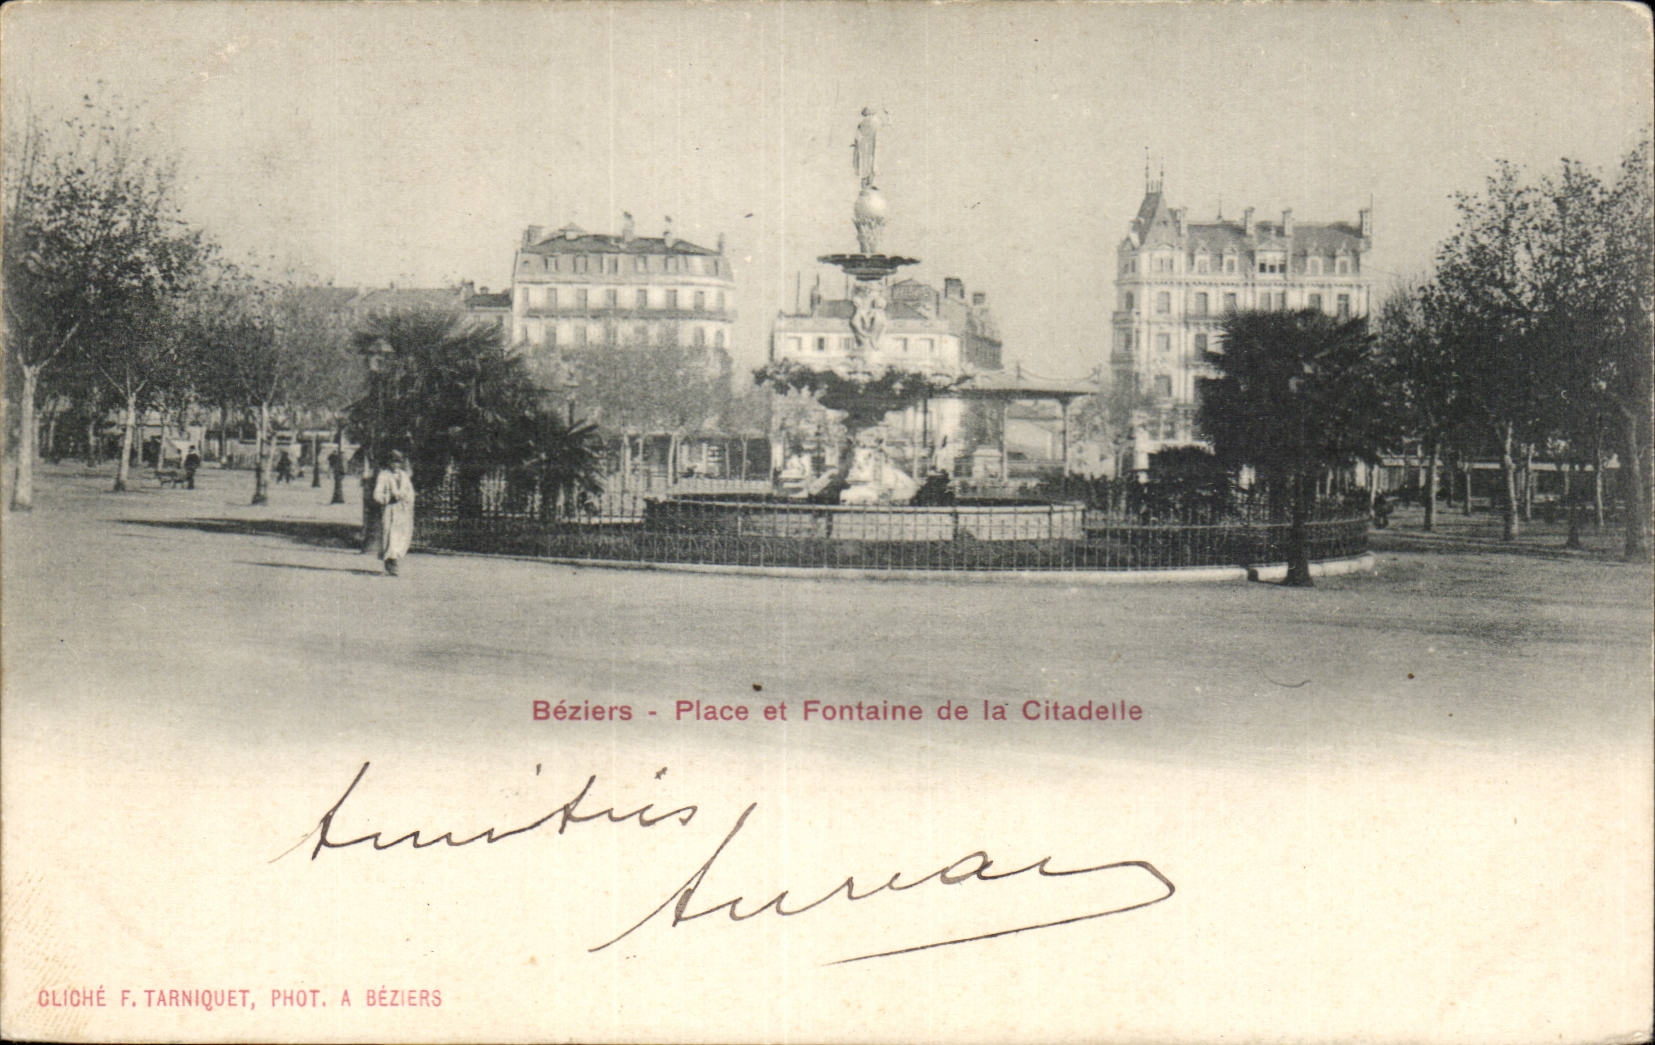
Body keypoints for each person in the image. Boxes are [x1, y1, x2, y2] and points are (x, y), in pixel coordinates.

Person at [373, 450, 416, 576]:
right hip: (390, 509)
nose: (396, 465)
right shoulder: (384, 475)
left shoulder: (404, 476)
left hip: (402, 509)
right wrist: (387, 498)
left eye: (398, 462)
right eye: (393, 462)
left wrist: (405, 498)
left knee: (400, 536)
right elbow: (377, 494)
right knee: (389, 536)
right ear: (388, 462)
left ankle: (394, 559)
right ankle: (391, 564)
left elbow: (410, 493)